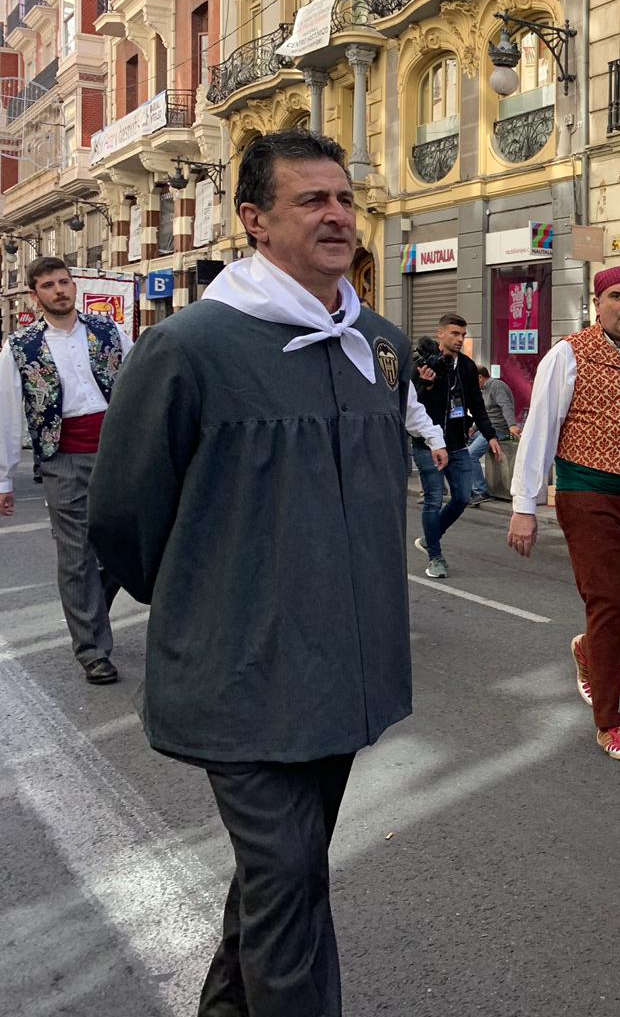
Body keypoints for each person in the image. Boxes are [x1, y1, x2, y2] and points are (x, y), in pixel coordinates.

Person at [87, 130, 423, 1016]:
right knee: (287, 879)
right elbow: (123, 516)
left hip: (343, 675)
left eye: (345, 198)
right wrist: (213, 597)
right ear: (254, 221)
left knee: (284, 876)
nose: (338, 215)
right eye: (312, 200)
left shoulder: (380, 345)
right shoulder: (189, 348)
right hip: (241, 676)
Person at [507, 266, 620, 762]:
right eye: (617, 296)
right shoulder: (568, 353)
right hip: (588, 490)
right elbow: (540, 429)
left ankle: (590, 653)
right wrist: (523, 506)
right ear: (598, 304)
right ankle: (612, 722)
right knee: (611, 602)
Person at [0, 256, 133, 684]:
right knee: (76, 556)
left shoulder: (108, 331)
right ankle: (93, 650)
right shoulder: (20, 347)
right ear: (34, 295)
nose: (59, 290)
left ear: (73, 285)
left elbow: (139, 381)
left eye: (64, 282)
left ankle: (91, 610)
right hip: (62, 458)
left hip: (115, 451)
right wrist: (4, 476)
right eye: (49, 286)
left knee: (125, 544)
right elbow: (6, 415)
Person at [411, 313, 501, 577]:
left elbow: (477, 404)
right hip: (427, 444)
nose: (460, 339)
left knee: (462, 496)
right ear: (440, 334)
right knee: (433, 500)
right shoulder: (422, 364)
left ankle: (432, 535)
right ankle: (435, 558)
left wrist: (491, 435)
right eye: (454, 334)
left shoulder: (468, 367)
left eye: (463, 334)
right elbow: (410, 404)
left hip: (457, 443)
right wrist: (425, 385)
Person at [469, 364, 520, 505]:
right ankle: (468, 488)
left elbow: (506, 406)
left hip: (497, 430)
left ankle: (480, 491)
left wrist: (512, 426)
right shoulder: (484, 389)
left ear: (480, 377)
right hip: (486, 428)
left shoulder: (496, 386)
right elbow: (485, 413)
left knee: (470, 455)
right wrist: (473, 428)